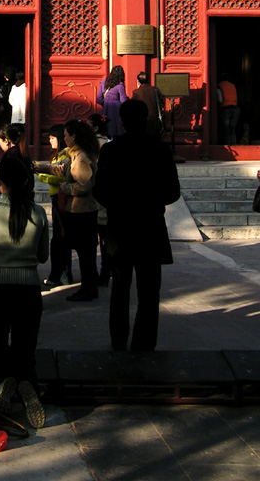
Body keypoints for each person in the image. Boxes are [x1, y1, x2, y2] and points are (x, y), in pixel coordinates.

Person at [92, 99, 180, 352]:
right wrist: (151, 202)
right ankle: (144, 344)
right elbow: (173, 192)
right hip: (151, 226)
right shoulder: (160, 150)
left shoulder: (111, 151)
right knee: (149, 292)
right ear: (147, 119)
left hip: (121, 227)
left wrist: (118, 204)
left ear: (121, 121)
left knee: (120, 289)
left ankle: (118, 341)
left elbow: (99, 190)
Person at [0, 155, 49, 429]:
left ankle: (1, 384)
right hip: (28, 289)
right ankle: (27, 384)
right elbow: (42, 256)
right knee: (25, 348)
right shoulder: (38, 212)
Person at [60, 119, 100, 302]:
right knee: (85, 251)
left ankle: (88, 287)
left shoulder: (82, 157)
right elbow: (64, 169)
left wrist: (66, 188)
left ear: (74, 137)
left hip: (83, 210)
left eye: (66, 135)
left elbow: (84, 186)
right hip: (81, 210)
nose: (64, 139)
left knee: (86, 252)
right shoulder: (76, 155)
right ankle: (88, 286)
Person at [34, 124, 72, 287]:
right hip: (56, 196)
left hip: (61, 197)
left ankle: (62, 273)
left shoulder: (65, 157)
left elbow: (62, 177)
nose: (50, 141)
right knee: (59, 237)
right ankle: (61, 272)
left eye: (52, 138)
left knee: (61, 238)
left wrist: (43, 177)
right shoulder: (56, 155)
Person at [88, 113, 111, 286]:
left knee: (93, 240)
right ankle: (105, 271)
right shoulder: (108, 144)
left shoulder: (93, 146)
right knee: (104, 240)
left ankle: (99, 273)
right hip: (105, 194)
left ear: (95, 128)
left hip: (94, 196)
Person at [96, 65, 128, 137]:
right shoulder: (120, 85)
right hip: (116, 110)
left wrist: (106, 102)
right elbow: (123, 100)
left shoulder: (104, 82)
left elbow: (99, 99)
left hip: (105, 110)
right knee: (117, 131)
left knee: (107, 129)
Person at [132, 71, 163, 138]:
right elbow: (161, 104)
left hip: (141, 121)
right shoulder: (155, 90)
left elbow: (133, 107)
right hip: (154, 120)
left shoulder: (136, 92)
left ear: (138, 81)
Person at [218, 72, 240, 147]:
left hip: (225, 109)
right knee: (232, 129)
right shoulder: (232, 85)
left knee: (226, 129)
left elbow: (220, 99)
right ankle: (234, 144)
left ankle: (228, 146)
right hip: (235, 108)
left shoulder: (219, 85)